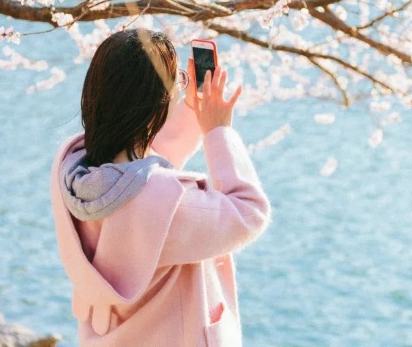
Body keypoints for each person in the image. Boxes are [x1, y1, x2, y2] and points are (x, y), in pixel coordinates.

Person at [50, 28, 271, 347]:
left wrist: (195, 113)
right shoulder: (169, 203)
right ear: (158, 103)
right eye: (177, 84)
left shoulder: (74, 171)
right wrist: (217, 131)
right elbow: (250, 212)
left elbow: (140, 174)